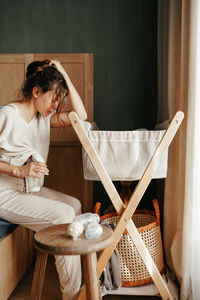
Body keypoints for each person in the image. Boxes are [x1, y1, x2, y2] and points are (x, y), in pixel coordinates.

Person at [0, 59, 87, 300]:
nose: (56, 106)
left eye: (60, 100)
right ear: (36, 91)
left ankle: (78, 285)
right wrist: (18, 171)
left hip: (28, 190)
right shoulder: (7, 115)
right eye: (53, 98)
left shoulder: (44, 117)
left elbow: (82, 116)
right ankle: (72, 295)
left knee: (75, 206)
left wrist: (64, 74)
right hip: (4, 193)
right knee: (63, 216)